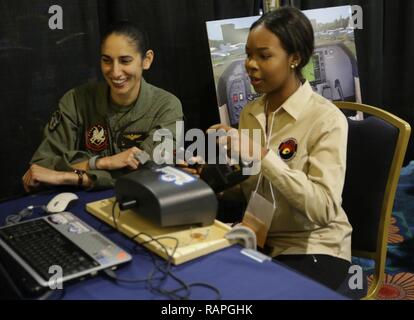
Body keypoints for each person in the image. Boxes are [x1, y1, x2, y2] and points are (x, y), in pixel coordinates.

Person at [209, 7, 353, 292]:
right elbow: (254, 186)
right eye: (249, 54)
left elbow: (323, 208)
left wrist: (263, 156)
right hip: (260, 239)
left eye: (264, 56)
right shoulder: (251, 112)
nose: (250, 64)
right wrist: (209, 178)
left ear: (295, 59)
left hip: (315, 247)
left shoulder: (327, 119)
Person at [22, 21, 183, 191]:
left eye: (125, 61)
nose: (115, 72)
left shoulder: (167, 107)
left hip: (140, 201)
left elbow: (150, 172)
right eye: (107, 60)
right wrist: (103, 162)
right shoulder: (76, 101)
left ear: (147, 60)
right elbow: (41, 166)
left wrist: (75, 177)